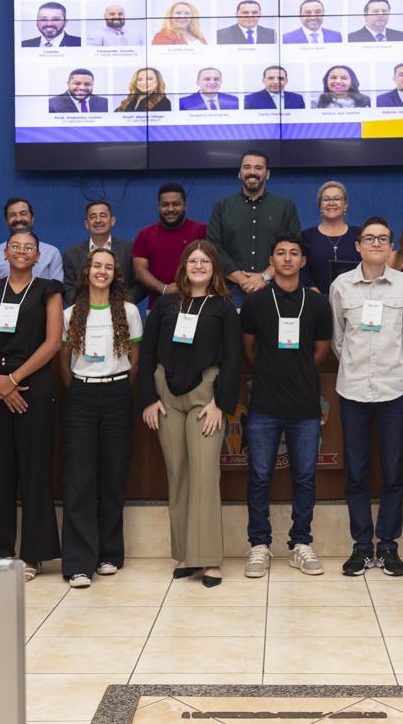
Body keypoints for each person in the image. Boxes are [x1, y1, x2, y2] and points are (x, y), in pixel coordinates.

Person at [0, 229, 65, 582]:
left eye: (29, 248)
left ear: (39, 256)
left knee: (34, 469)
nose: (22, 251)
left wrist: (14, 378)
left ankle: (33, 556)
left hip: (33, 385)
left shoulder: (49, 291)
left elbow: (53, 343)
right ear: (4, 253)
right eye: (15, 246)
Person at [140, 241, 241, 588]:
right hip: (166, 395)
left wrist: (221, 405)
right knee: (178, 473)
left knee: (204, 474)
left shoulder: (224, 308)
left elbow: (233, 360)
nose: (198, 266)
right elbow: (148, 352)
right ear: (184, 266)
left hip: (205, 397)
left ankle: (209, 559)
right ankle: (186, 554)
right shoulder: (165, 305)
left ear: (214, 268)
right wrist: (149, 399)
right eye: (193, 261)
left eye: (205, 261)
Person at [240, 234, 333, 578]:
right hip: (264, 403)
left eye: (294, 253)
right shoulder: (256, 302)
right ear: (272, 261)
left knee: (305, 477)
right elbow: (248, 350)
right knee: (260, 476)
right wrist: (269, 373)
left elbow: (322, 351)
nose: (288, 258)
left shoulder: (318, 303)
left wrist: (300, 373)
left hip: (306, 405)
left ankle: (301, 543)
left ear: (303, 261)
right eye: (280, 253)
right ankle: (259, 545)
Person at [330, 217, 403, 576]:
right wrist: (355, 365)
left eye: (383, 238)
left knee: (394, 470)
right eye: (370, 238)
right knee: (357, 471)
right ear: (358, 245)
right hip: (352, 389)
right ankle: (362, 546)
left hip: (393, 387)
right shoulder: (341, 286)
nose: (377, 244)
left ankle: (389, 546)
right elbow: (338, 338)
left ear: (392, 246)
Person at [60, 249, 143, 586]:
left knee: (112, 475)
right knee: (79, 479)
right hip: (81, 396)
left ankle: (109, 553)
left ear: (115, 274)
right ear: (86, 271)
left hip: (118, 395)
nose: (102, 271)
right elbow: (64, 364)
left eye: (109, 267)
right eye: (97, 265)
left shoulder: (129, 311)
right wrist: (83, 387)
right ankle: (80, 563)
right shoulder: (68, 314)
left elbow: (134, 358)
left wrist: (116, 385)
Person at [207, 150, 303, 306]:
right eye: (247, 167)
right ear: (239, 173)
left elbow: (295, 246)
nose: (252, 172)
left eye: (258, 168)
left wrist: (264, 277)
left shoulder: (285, 206)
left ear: (268, 174)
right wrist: (242, 279)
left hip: (275, 288)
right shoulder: (222, 206)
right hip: (231, 292)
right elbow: (213, 247)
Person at [133, 182, 209, 309]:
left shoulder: (201, 231)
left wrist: (189, 287)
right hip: (158, 307)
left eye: (176, 204)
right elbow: (140, 271)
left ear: (185, 205)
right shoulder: (145, 234)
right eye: (165, 205)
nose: (170, 209)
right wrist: (164, 288)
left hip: (197, 304)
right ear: (158, 206)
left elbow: (212, 267)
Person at [62, 201, 144, 306]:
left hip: (122, 313)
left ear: (112, 221)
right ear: (86, 224)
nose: (98, 220)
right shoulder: (71, 254)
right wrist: (87, 307)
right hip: (83, 315)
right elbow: (68, 288)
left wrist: (122, 304)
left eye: (103, 215)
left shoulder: (129, 249)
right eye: (93, 216)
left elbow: (139, 284)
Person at [0, 197, 64, 282]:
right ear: (6, 221)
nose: (18, 219)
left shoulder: (52, 253)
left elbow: (56, 290)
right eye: (12, 215)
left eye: (23, 213)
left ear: (32, 219)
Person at [300, 181, 360, 293]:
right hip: (316, 301)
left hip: (355, 300)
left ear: (345, 204)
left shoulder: (359, 235)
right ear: (320, 206)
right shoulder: (306, 237)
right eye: (326, 199)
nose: (331, 203)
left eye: (337, 199)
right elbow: (301, 270)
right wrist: (313, 292)